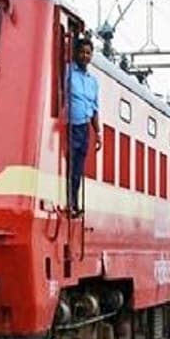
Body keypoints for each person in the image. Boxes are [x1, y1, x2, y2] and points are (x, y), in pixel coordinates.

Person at [67, 38, 101, 217]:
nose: (85, 56)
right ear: (75, 53)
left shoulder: (93, 82)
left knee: (78, 169)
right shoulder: (68, 72)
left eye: (88, 53)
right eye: (82, 52)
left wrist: (98, 132)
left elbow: (95, 108)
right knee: (71, 166)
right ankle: (69, 202)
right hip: (70, 126)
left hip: (85, 127)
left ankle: (75, 201)